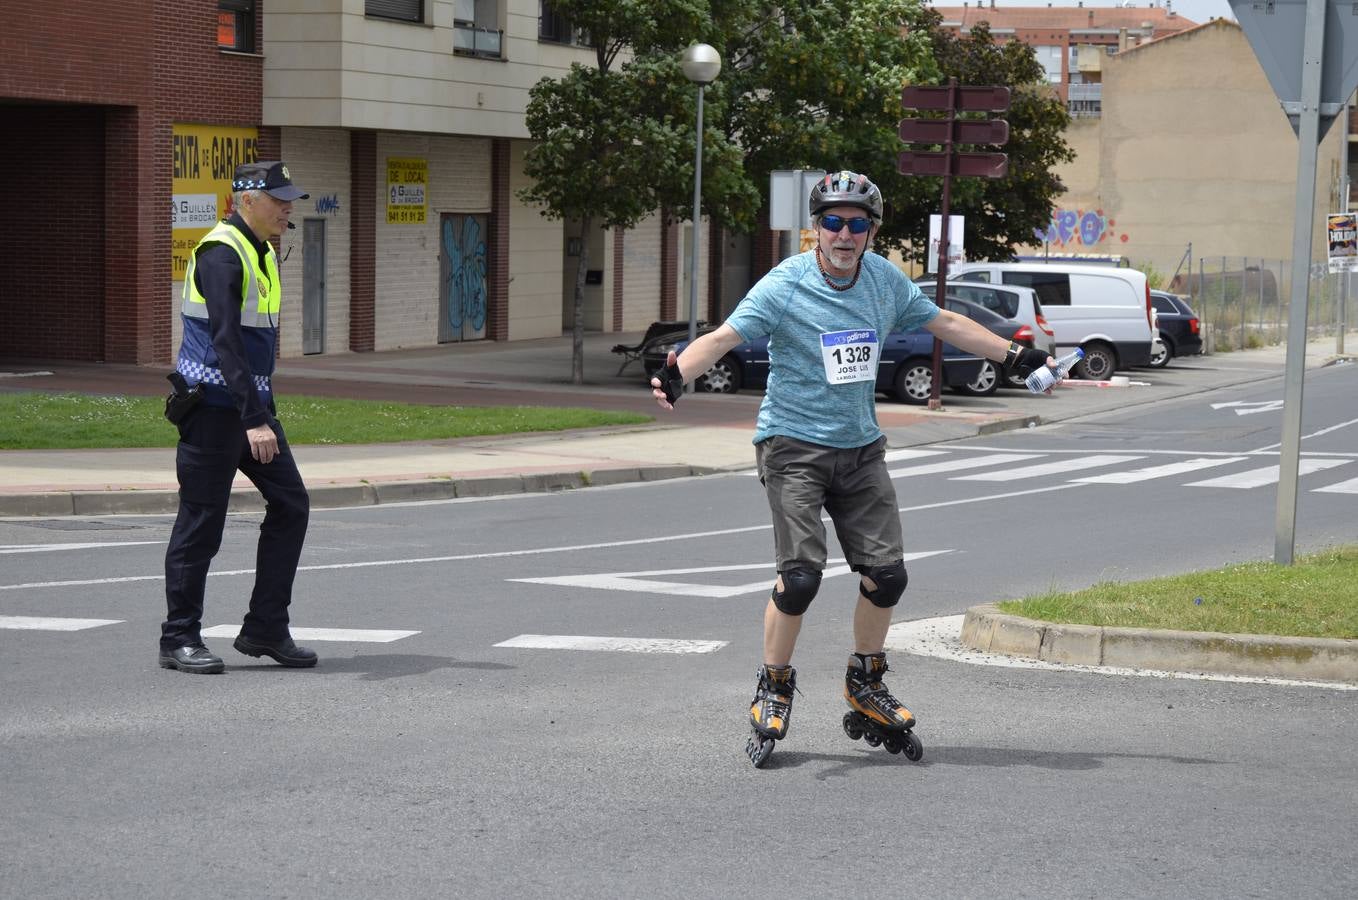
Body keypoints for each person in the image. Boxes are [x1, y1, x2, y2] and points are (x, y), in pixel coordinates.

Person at [650, 170, 1056, 766]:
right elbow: (726, 336)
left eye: (857, 223)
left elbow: (944, 322)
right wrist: (677, 373)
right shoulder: (785, 284)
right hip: (793, 445)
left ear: (871, 230)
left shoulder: (884, 281)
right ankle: (775, 683)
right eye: (833, 222)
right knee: (802, 577)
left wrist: (1017, 355)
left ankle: (864, 681)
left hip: (860, 447)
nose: (844, 234)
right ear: (815, 229)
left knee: (887, 576)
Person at [159, 161, 317, 674]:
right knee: (202, 522)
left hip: (250, 409)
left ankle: (265, 627)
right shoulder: (223, 253)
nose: (286, 207)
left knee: (291, 505)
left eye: (288, 198)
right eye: (278, 198)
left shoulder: (259, 250)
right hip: (213, 409)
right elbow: (225, 341)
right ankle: (178, 638)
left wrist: (259, 412)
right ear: (246, 200)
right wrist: (255, 419)